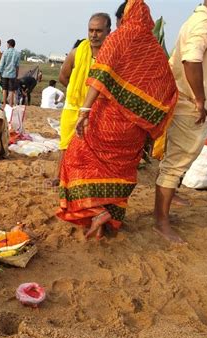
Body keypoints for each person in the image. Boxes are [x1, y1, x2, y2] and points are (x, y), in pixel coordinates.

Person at [57, 0, 178, 240]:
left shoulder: (118, 39)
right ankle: (105, 222)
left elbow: (99, 76)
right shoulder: (153, 49)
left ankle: (97, 210)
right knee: (119, 172)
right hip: (133, 131)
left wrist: (84, 111)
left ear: (126, 17)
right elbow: (167, 89)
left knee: (77, 160)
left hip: (107, 120)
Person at [154, 0, 207, 244]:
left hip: (188, 105)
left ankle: (162, 216)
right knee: (175, 166)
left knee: (175, 163)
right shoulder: (203, 24)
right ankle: (161, 222)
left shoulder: (202, 21)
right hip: (191, 107)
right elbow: (190, 60)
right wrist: (199, 99)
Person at [55, 13, 111, 185]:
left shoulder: (112, 55)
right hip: (73, 107)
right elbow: (63, 77)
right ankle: (59, 177)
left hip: (98, 109)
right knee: (65, 144)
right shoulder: (76, 53)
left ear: (108, 31)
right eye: (91, 30)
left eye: (99, 31)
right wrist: (77, 93)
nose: (94, 35)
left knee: (92, 147)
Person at [0, 39, 20, 106]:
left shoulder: (5, 52)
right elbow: (17, 66)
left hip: (4, 74)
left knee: (4, 89)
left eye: (7, 44)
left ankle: (4, 103)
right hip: (12, 74)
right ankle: (11, 104)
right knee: (11, 90)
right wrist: (17, 74)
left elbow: (1, 63)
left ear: (9, 44)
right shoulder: (17, 53)